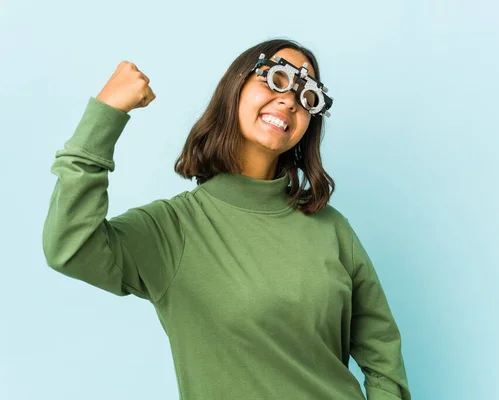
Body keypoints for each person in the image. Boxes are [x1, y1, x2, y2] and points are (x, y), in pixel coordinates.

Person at [42, 38, 411, 400]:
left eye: (306, 96)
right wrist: (105, 114)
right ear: (235, 87)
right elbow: (70, 247)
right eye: (277, 78)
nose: (289, 100)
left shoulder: (332, 228)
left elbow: (382, 354)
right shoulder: (173, 230)